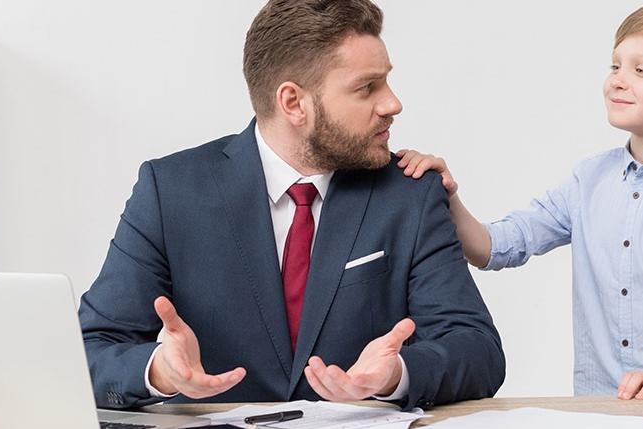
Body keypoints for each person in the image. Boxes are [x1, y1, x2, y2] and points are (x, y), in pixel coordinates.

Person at [78, 0, 505, 412]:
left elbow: (477, 349)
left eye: (387, 80)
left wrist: (399, 374)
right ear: (293, 102)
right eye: (366, 87)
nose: (392, 103)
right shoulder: (170, 191)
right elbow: (86, 349)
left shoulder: (410, 193)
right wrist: (159, 372)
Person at [397, 3, 643, 427]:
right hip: (603, 416)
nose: (618, 81)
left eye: (641, 71)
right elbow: (494, 248)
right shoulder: (587, 179)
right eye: (615, 66)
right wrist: (447, 194)